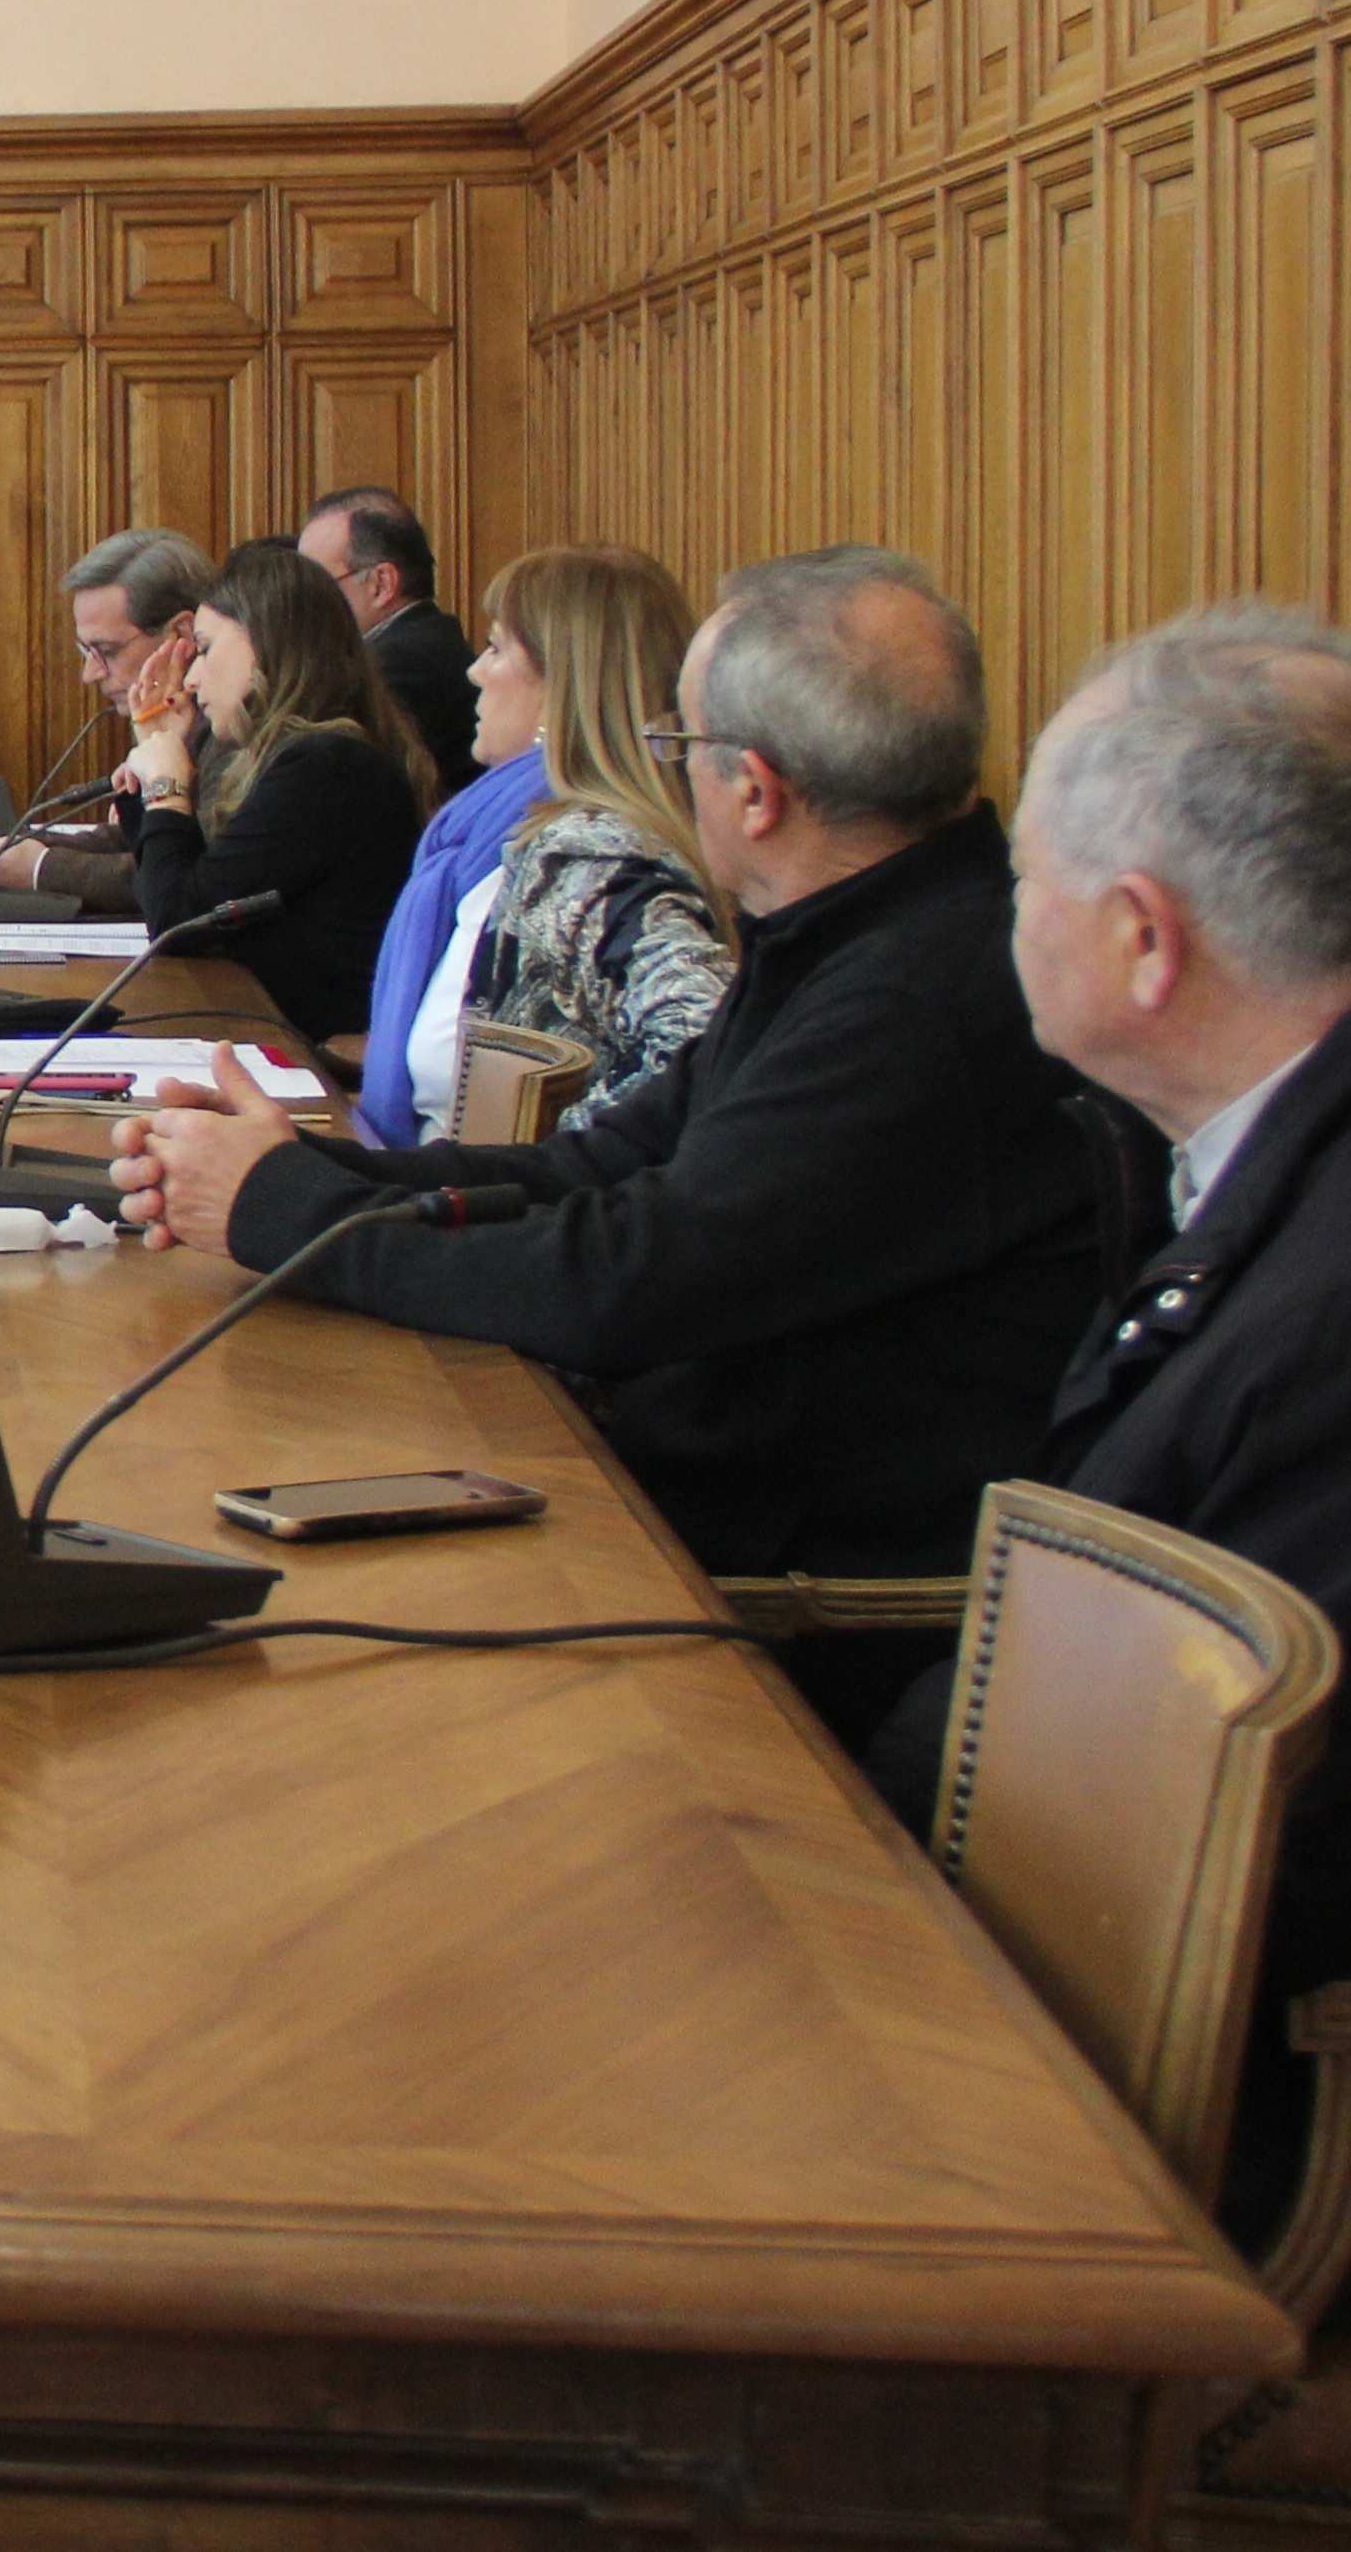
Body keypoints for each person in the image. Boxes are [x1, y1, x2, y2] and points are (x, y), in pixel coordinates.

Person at [110, 545, 1107, 1608]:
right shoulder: (851, 940)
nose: (667, 768)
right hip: (674, 1501)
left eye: (680, 742)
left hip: (753, 1597)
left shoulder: (911, 1002)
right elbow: (601, 1162)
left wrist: (284, 1211)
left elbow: (628, 1278)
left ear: (754, 791)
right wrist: (294, 1171)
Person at [858, 604, 1351, 2247]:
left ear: (1140, 940)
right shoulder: (1234, 1165)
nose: (999, 928)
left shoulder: (1322, 1322)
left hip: (1135, 2144)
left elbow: (1232, 1851)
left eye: (1020, 893)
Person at [359, 546, 730, 1145]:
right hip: (435, 1201)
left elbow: (702, 1041)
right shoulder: (502, 839)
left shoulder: (590, 857)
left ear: (567, 685)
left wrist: (561, 1163)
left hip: (491, 1224)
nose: (474, 671)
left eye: (498, 648)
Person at [117, 539, 426, 1042]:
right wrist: (160, 752)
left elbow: (178, 921)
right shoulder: (298, 757)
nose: (191, 678)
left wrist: (167, 790)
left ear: (266, 644)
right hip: (263, 1022)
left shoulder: (327, 767)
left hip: (313, 1049)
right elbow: (172, 884)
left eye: (207, 649)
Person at [0, 527, 208, 911]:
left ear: (182, 632)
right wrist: (17, 849)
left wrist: (41, 867)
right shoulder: (168, 714)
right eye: (85, 651)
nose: (90, 674)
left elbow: (185, 875)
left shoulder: (232, 725)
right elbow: (134, 841)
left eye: (107, 651)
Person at [299, 486, 479, 798]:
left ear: (381, 584)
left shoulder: (399, 666)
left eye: (314, 585)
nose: (301, 605)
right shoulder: (424, 642)